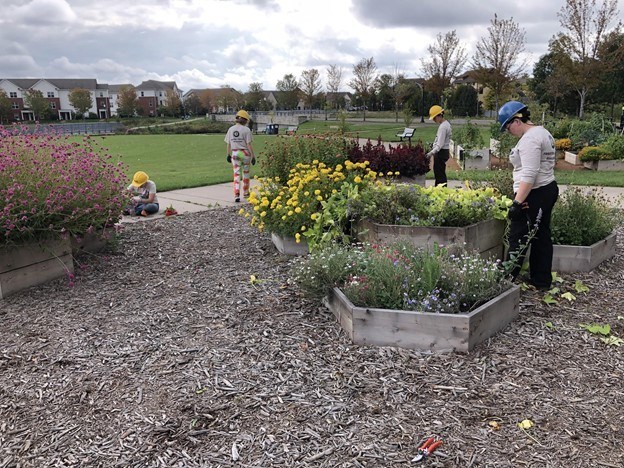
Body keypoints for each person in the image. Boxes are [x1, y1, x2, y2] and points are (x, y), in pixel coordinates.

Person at [498, 100, 559, 290]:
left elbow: (530, 174)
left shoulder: (529, 140)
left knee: (518, 236)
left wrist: (517, 203)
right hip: (547, 188)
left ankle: (506, 280)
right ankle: (541, 280)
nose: (509, 131)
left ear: (517, 120)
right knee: (541, 235)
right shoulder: (543, 132)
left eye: (508, 127)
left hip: (533, 193)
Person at [224, 109, 256, 202]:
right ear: (245, 120)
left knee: (236, 173)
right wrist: (253, 156)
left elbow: (228, 143)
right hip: (245, 153)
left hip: (235, 153)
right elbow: (249, 144)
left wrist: (228, 154)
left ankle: (236, 193)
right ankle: (246, 192)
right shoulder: (246, 130)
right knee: (246, 173)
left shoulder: (231, 129)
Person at [426, 105, 452, 186]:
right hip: (443, 151)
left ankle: (441, 190)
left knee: (439, 174)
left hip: (441, 152)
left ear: (439, 115)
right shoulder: (446, 124)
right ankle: (440, 189)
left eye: (434, 118)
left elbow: (440, 145)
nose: (434, 120)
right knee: (439, 172)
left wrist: (430, 153)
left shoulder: (443, 127)